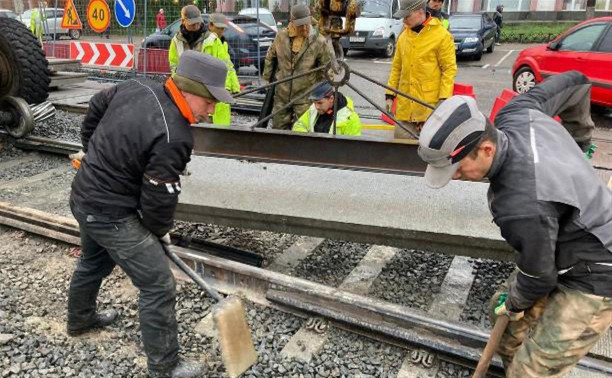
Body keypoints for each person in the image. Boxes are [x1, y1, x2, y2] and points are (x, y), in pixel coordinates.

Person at [417, 71, 611, 378]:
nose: (454, 176)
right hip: (561, 239)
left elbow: (539, 277)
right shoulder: (518, 113)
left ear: (487, 150)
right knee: (502, 314)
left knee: (530, 370)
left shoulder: (518, 205)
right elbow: (576, 81)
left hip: (596, 273)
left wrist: (518, 300)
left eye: (457, 167)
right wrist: (580, 140)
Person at [66, 51, 235, 378]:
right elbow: (158, 199)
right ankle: (165, 368)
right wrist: (158, 230)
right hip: (109, 213)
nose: (212, 111)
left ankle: (80, 321)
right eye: (209, 102)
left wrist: (93, 150)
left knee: (93, 261)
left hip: (83, 195)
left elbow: (97, 105)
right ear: (188, 90)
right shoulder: (175, 135)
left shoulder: (137, 86)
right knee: (158, 284)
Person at [386, 0, 456, 139]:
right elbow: (397, 68)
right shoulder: (403, 37)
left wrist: (443, 99)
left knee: (426, 152)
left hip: (428, 109)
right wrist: (390, 95)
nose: (404, 20)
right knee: (400, 148)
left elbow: (449, 69)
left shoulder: (441, 36)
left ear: (420, 12)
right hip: (405, 108)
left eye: (407, 16)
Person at [263, 4, 333, 130]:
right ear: (292, 22)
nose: (305, 28)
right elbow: (270, 57)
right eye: (301, 25)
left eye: (307, 23)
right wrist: (267, 78)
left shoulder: (318, 41)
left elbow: (327, 69)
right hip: (282, 96)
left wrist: (322, 93)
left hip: (305, 97)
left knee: (304, 131)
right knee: (278, 129)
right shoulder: (281, 37)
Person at [202, 13, 240, 126]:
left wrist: (235, 86)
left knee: (222, 120)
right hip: (215, 90)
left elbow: (229, 66)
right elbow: (207, 68)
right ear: (210, 25)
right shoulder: (210, 42)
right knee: (216, 120)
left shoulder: (222, 43)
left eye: (222, 28)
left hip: (223, 89)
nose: (220, 31)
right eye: (218, 28)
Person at [292, 82, 362, 136]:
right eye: (314, 102)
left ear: (331, 99)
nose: (316, 107)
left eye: (320, 103)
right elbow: (299, 125)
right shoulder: (313, 109)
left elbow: (353, 146)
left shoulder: (350, 118)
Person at [168, 5, 206, 73]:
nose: (196, 26)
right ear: (183, 21)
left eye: (198, 22)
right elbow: (173, 64)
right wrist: (178, 79)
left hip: (205, 82)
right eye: (192, 24)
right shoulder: (176, 40)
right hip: (184, 82)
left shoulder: (211, 39)